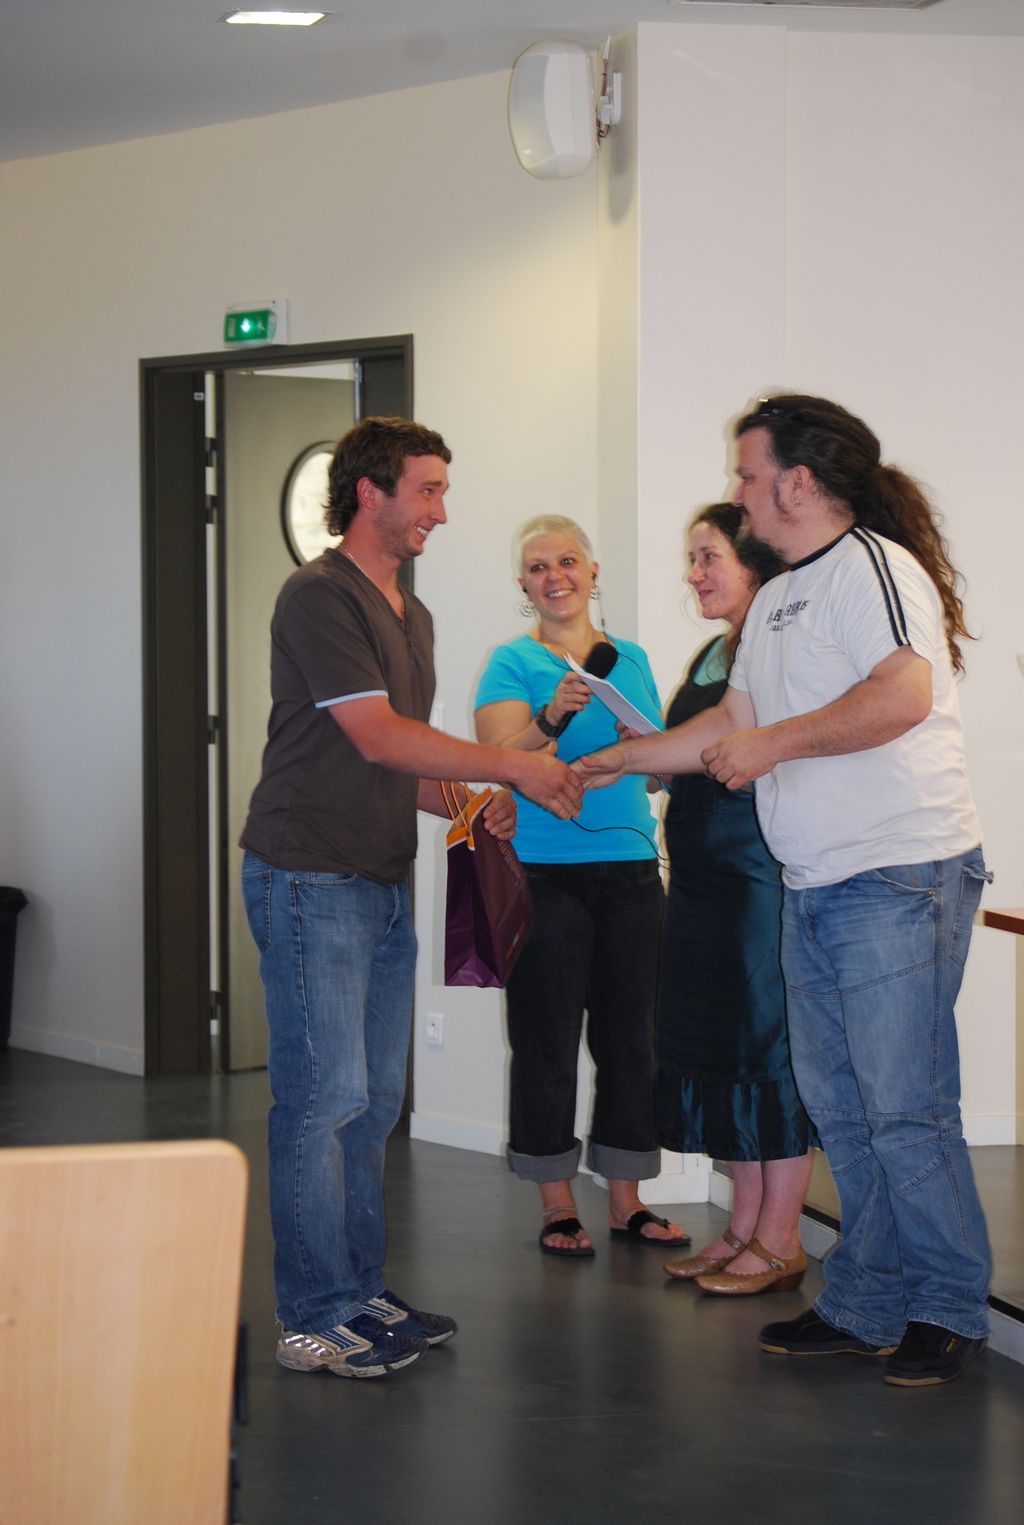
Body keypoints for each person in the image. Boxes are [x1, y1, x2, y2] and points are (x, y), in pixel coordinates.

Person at [575, 395, 991, 1387]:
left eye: (747, 473)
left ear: (796, 484)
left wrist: (773, 744)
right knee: (841, 1112)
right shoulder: (776, 601)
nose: (737, 490)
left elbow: (902, 692)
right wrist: (617, 758)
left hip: (897, 874)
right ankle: (865, 1301)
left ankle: (946, 1304)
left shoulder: (873, 567)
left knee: (904, 1110)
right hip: (816, 882)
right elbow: (729, 722)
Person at [240, 418, 582, 1379]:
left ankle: (358, 1291)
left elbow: (403, 762)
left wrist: (469, 801)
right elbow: (378, 735)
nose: (441, 510)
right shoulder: (318, 595)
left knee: (374, 1101)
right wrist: (513, 770)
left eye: (441, 490)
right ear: (370, 492)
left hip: (380, 880)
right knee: (323, 1100)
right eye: (427, 490)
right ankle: (312, 1316)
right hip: (308, 876)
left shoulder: (412, 614)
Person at [474, 515, 687, 1256]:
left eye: (567, 561)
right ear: (523, 584)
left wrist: (644, 748)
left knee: (633, 1038)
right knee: (547, 1038)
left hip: (631, 868)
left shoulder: (632, 658)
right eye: (538, 567)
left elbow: (661, 769)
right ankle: (557, 1202)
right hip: (544, 871)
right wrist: (551, 716)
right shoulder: (512, 661)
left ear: (592, 573)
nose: (554, 576)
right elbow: (497, 760)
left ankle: (627, 1200)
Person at [658, 504, 815, 1295]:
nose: (695, 574)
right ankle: (743, 1227)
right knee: (725, 1054)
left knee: (765, 1052)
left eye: (708, 557)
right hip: (700, 884)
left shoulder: (781, 643)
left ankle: (781, 1238)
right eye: (692, 559)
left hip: (756, 879)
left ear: (754, 561)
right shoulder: (716, 651)